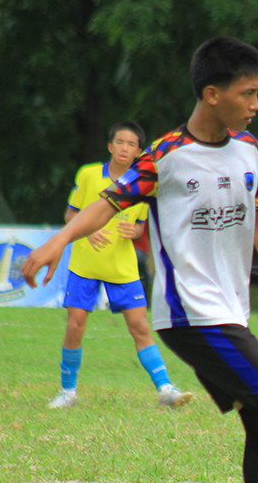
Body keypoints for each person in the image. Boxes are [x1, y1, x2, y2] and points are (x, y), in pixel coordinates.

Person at [22, 37, 258, 483]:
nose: (257, 104)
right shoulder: (164, 156)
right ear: (212, 94)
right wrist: (57, 241)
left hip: (231, 311)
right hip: (187, 315)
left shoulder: (250, 150)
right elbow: (107, 204)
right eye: (248, 93)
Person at [46, 121, 193, 410]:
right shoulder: (89, 174)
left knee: (139, 327)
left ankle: (165, 389)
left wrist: (135, 232)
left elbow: (140, 226)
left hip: (122, 268)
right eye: (120, 142)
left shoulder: (143, 183)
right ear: (110, 146)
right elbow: (70, 214)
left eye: (131, 144)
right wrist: (87, 230)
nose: (125, 148)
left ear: (139, 152)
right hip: (85, 264)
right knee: (75, 325)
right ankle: (67, 392)